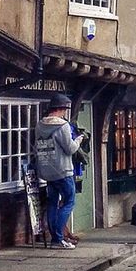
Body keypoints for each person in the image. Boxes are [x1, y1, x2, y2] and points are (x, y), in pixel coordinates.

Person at [34, 95, 87, 249]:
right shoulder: (62, 126)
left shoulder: (39, 125)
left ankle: (55, 238)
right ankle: (58, 238)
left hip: (47, 170)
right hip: (63, 170)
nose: (65, 113)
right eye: (64, 110)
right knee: (69, 201)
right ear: (60, 109)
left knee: (52, 203)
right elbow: (70, 149)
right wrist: (78, 139)